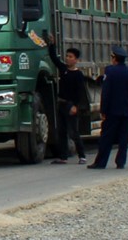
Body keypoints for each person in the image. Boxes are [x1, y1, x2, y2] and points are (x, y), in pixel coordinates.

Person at [87, 45, 128, 169]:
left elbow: (106, 93)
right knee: (123, 138)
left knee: (106, 137)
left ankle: (101, 162)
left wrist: (103, 110)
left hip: (112, 111)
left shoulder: (110, 71)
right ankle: (121, 162)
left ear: (114, 58)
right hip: (126, 111)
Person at [47, 35, 87, 165]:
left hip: (71, 105)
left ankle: (82, 156)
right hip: (61, 103)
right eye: (67, 56)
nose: (68, 58)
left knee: (74, 132)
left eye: (71, 57)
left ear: (76, 60)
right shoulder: (64, 70)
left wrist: (75, 106)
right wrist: (51, 45)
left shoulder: (78, 75)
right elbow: (54, 59)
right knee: (62, 131)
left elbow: (80, 92)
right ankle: (63, 156)